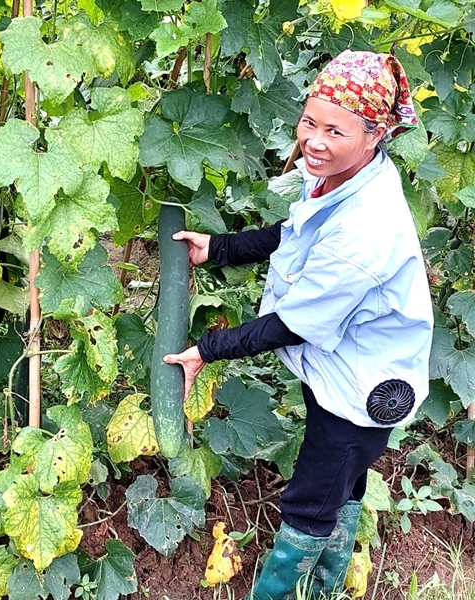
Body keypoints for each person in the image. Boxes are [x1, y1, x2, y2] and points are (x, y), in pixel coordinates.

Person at [163, 50, 433, 600]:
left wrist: (204, 351)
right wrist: (219, 248)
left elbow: (291, 325)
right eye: (310, 121)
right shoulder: (342, 175)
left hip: (362, 391)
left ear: (375, 133)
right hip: (342, 368)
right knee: (344, 483)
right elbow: (294, 233)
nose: (313, 139)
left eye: (335, 129)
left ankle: (285, 591)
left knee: (313, 499)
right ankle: (328, 584)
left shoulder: (365, 232)